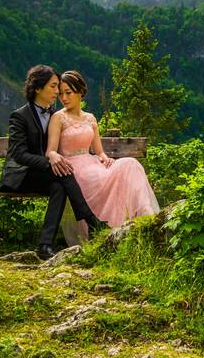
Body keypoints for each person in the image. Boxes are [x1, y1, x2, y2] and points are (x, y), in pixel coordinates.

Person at [0, 64, 106, 260]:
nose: (58, 92)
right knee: (62, 171)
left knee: (59, 185)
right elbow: (18, 154)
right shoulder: (20, 116)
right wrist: (50, 161)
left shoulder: (58, 115)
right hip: (23, 174)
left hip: (48, 174)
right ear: (38, 88)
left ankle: (45, 245)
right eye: (53, 86)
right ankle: (91, 220)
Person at [46, 70, 160, 240]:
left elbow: (99, 151)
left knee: (130, 164)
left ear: (80, 92)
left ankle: (146, 215)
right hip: (73, 169)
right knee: (102, 177)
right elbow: (51, 150)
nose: (64, 98)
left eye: (68, 93)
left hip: (92, 163)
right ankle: (107, 228)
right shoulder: (58, 118)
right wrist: (53, 155)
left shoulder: (90, 118)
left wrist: (105, 158)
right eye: (61, 93)